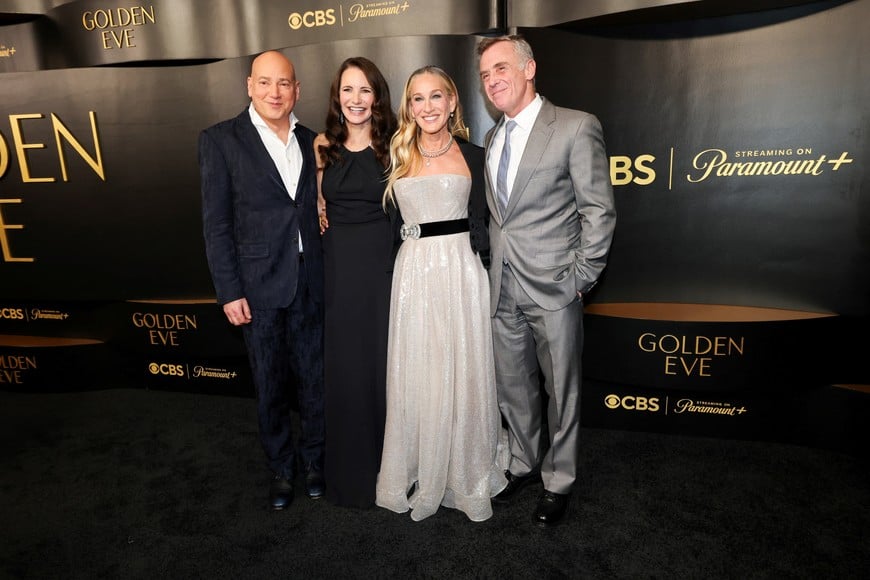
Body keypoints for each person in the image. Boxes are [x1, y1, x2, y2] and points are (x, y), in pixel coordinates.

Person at [477, 35, 617, 527]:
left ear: (529, 68)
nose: (492, 80)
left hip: (556, 286)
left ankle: (558, 481)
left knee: (563, 391)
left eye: (500, 68)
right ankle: (522, 462)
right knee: (513, 386)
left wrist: (581, 278)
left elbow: (598, 211)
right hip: (503, 286)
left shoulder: (576, 127)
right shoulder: (493, 137)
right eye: (485, 75)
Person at [375, 65, 507, 522]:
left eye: (436, 97)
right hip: (412, 274)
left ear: (453, 102)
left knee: (462, 366)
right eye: (417, 99)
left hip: (461, 271)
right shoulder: (395, 154)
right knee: (419, 369)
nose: (427, 107)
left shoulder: (476, 155)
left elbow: (495, 219)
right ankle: (418, 466)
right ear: (408, 107)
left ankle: (464, 469)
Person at [198, 50, 325, 511]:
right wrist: (229, 290)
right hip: (257, 287)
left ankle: (315, 462)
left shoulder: (313, 141)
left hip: (310, 282)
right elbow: (216, 225)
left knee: (314, 382)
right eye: (266, 83)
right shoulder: (220, 141)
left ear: (297, 90)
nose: (276, 92)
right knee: (270, 385)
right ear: (250, 86)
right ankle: (281, 468)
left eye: (285, 84)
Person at [314, 56, 398, 508]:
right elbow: (316, 205)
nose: (356, 99)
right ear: (337, 97)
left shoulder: (396, 145)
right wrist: (321, 213)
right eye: (348, 90)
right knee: (345, 368)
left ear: (376, 96)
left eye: (365, 90)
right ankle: (348, 473)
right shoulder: (323, 145)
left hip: (382, 270)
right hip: (337, 270)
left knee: (382, 366)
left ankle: (391, 470)